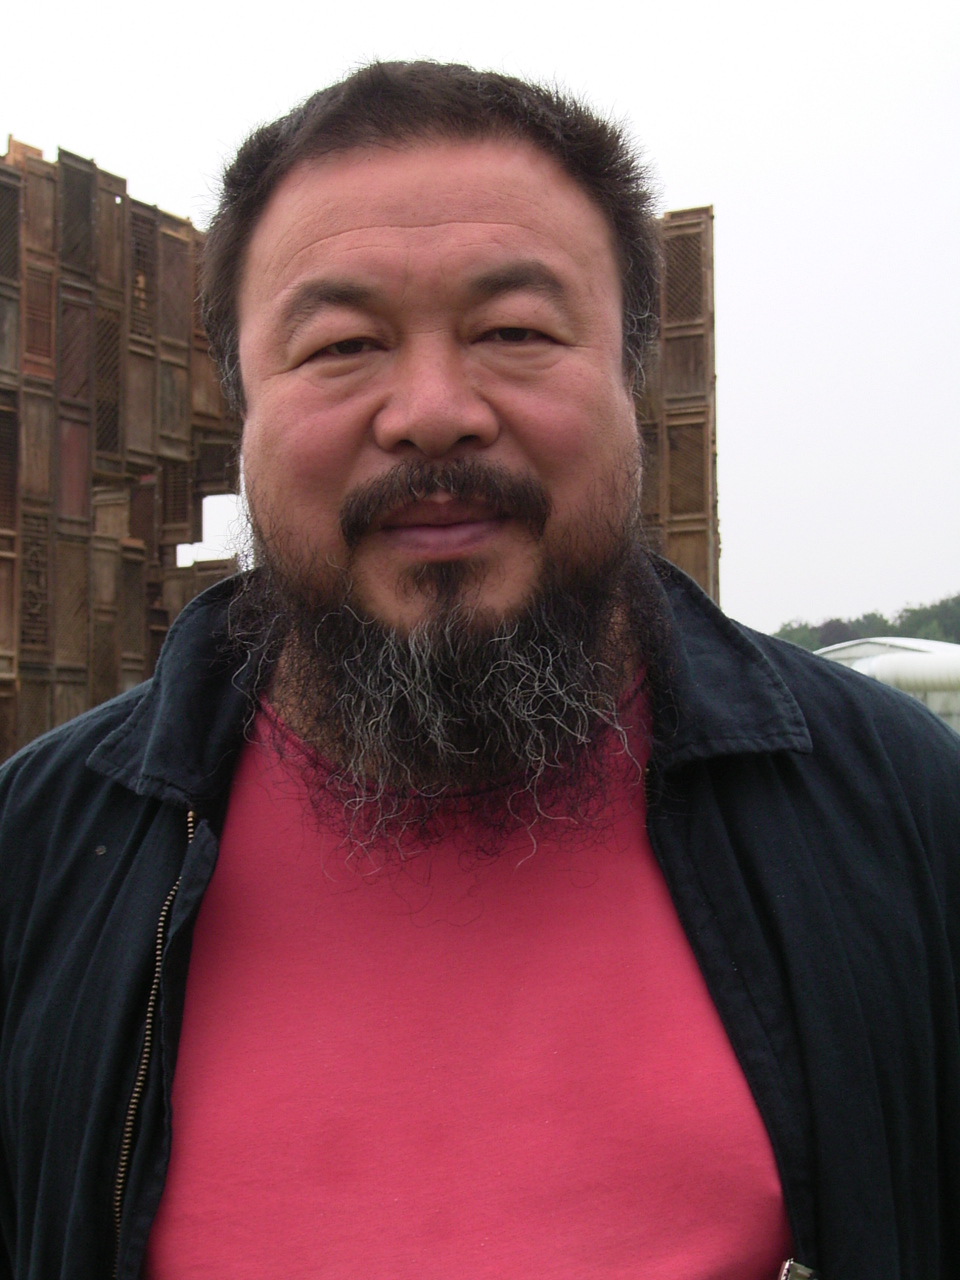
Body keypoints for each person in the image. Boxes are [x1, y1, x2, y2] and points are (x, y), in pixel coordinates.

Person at [0, 62, 956, 1280]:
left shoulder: (897, 812)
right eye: (343, 344)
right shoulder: (40, 858)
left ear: (632, 381)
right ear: (242, 412)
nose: (434, 410)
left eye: (514, 331)